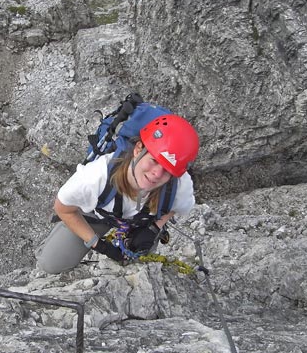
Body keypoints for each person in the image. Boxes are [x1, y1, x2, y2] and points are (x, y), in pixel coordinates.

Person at [36, 113, 200, 274]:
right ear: (138, 149)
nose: (157, 173)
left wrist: (153, 227)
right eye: (154, 160)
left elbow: (176, 207)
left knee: (134, 265)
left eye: (167, 171)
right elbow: (62, 208)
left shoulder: (179, 186)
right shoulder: (95, 177)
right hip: (97, 213)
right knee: (51, 264)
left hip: (140, 222)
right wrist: (97, 244)